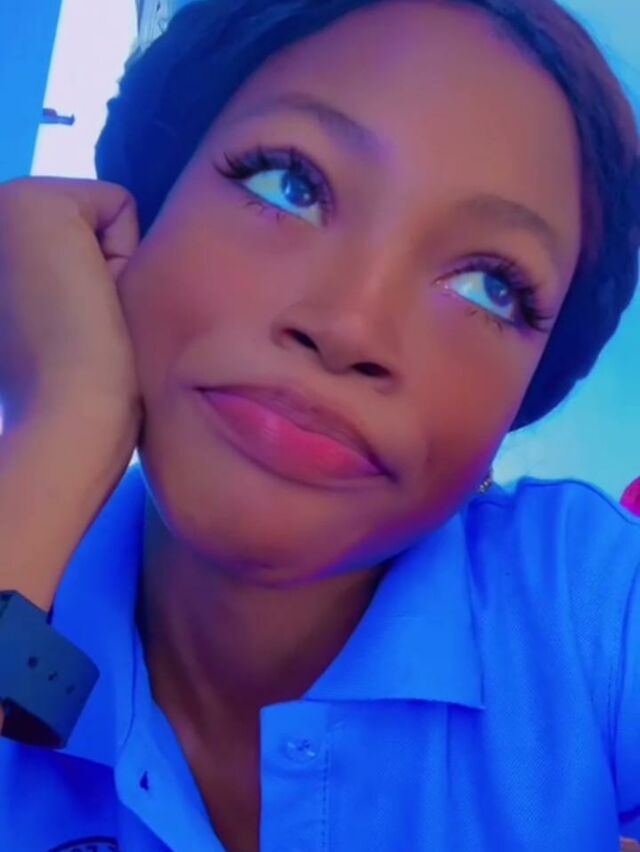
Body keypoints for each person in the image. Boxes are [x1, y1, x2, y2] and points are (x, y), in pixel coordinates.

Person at [0, 0, 639, 850]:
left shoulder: (592, 603)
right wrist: (65, 418)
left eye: (491, 286)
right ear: (139, 215)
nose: (349, 329)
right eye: (288, 186)